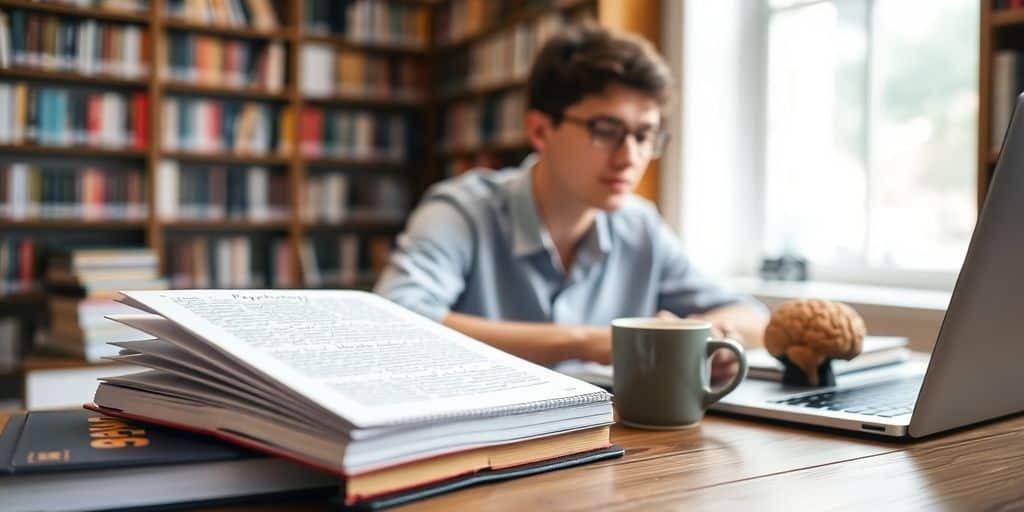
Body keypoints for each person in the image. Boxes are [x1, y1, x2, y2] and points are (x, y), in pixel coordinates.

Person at [375, 24, 767, 382]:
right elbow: (396, 319)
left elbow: (750, 316)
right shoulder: (462, 210)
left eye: (644, 135)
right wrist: (586, 341)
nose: (630, 157)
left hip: (612, 443)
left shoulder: (640, 225)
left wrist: (709, 338)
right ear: (540, 130)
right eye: (605, 130)